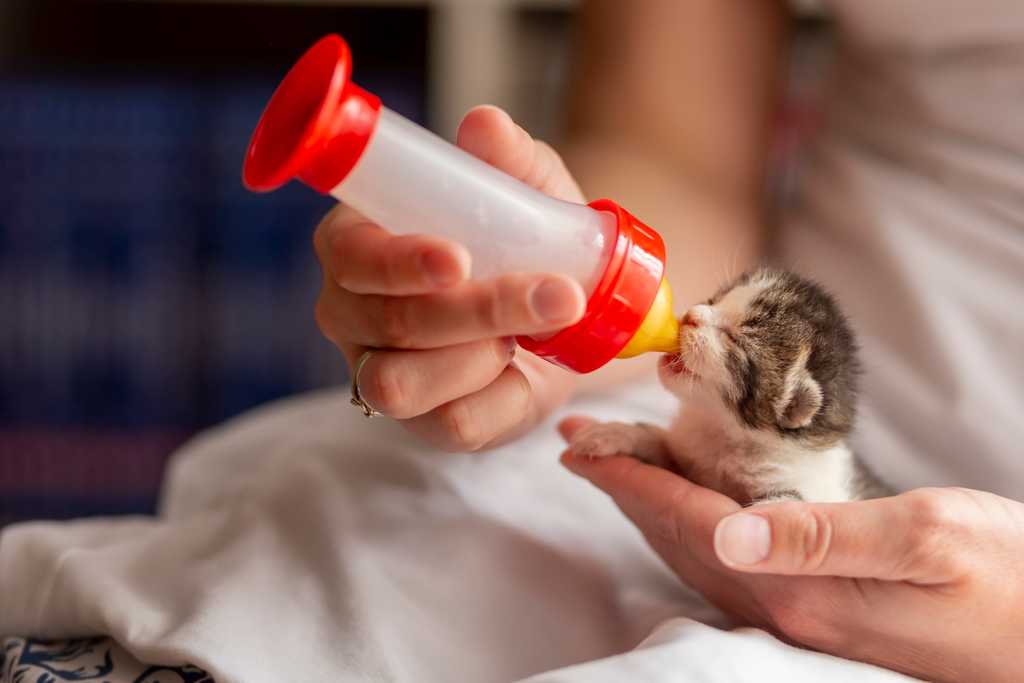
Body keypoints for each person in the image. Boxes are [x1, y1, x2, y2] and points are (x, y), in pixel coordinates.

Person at [312, 1, 1024, 681]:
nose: (694, 320)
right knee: (330, 507)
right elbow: (676, 160)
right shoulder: (723, 374)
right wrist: (554, 281)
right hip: (742, 431)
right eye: (716, 304)